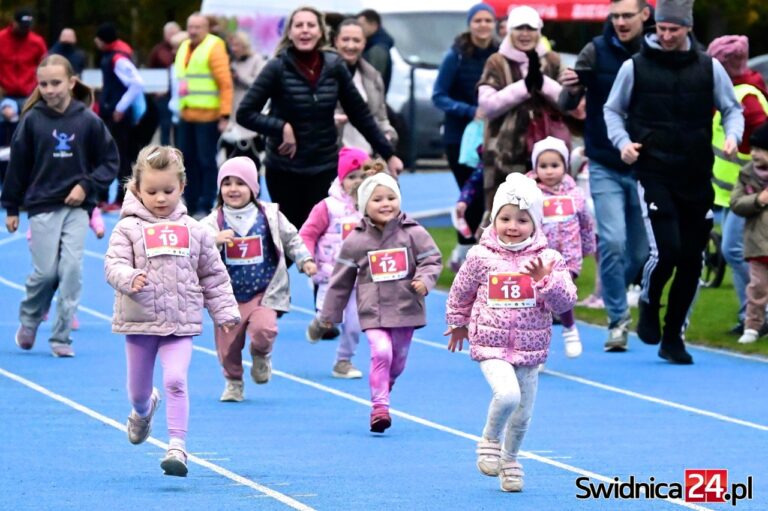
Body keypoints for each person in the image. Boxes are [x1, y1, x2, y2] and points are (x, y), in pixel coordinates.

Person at [604, 0, 744, 364]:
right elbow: (612, 110)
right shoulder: (634, 67)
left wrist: (733, 136)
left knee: (692, 261)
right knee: (665, 251)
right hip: (654, 170)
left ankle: (672, 336)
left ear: (687, 29)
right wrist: (623, 143)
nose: (666, 35)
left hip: (696, 172)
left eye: (674, 30)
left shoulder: (708, 67)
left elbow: (732, 109)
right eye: (662, 29)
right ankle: (650, 301)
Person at [104, 145, 240, 476]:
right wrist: (129, 277)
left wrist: (224, 312)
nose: (161, 198)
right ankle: (143, 410)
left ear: (182, 187)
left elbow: (213, 274)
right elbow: (113, 264)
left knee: (176, 379)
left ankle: (177, 447)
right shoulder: (128, 229)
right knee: (137, 392)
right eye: (151, 191)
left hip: (181, 322)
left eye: (168, 190)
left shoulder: (195, 231)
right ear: (136, 189)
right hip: (140, 323)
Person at [445, 173, 577, 492]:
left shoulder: (549, 259)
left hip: (530, 350)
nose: (512, 226)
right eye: (505, 218)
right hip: (490, 344)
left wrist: (546, 279)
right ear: (494, 219)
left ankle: (511, 459)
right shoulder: (480, 256)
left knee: (522, 415)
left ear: (535, 224)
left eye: (521, 219)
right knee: (507, 395)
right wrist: (458, 323)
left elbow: (566, 301)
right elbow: (460, 292)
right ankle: (489, 438)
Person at [236, 7, 402, 231]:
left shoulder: (334, 66)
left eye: (310, 25)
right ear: (290, 33)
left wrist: (389, 154)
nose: (305, 30)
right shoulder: (276, 67)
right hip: (285, 170)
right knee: (290, 240)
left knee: (324, 236)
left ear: (321, 32)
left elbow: (361, 115)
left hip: (324, 167)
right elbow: (245, 113)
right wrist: (281, 127)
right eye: (299, 25)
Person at [1, 55, 119, 358]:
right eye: (43, 84)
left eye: (56, 83)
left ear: (71, 82)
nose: (50, 89)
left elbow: (109, 162)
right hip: (42, 206)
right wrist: (11, 206)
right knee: (45, 273)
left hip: (77, 209)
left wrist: (86, 186)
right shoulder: (32, 120)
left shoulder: (88, 120)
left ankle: (61, 336)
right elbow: (17, 166)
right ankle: (29, 319)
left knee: (70, 270)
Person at [309, 172, 442, 432]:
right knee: (381, 352)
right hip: (373, 311)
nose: (386, 204)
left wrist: (424, 281)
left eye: (391, 198)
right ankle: (379, 407)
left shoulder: (413, 233)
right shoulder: (357, 240)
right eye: (377, 199)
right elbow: (340, 281)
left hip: (406, 308)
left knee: (398, 361)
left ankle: (385, 385)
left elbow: (432, 259)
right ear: (363, 205)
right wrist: (329, 314)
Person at [558, 0, 652, 351]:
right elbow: (568, 103)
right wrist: (570, 87)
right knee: (611, 241)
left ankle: (615, 292)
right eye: (615, 16)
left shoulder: (658, 48)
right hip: (605, 161)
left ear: (645, 15)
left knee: (642, 253)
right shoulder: (595, 50)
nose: (621, 22)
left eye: (627, 15)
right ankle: (617, 320)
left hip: (646, 163)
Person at [200, 157, 317, 402]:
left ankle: (261, 354)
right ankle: (233, 381)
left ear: (254, 187)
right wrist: (214, 240)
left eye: (240, 183)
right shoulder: (214, 220)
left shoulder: (269, 215)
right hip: (227, 294)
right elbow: (197, 242)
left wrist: (304, 259)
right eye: (227, 183)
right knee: (228, 346)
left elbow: (292, 237)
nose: (233, 189)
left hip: (263, 290)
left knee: (265, 329)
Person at [477, 6, 564, 221]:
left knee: (548, 218)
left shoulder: (552, 60)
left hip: (547, 154)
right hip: (503, 154)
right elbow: (487, 104)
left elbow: (569, 102)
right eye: (519, 28)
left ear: (539, 30)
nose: (525, 34)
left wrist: (542, 82)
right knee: (502, 216)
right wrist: (524, 87)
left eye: (530, 28)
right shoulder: (496, 61)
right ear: (509, 30)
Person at [706, 35, 768, 335]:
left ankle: (756, 312)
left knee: (735, 249)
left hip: (749, 192)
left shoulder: (747, 98)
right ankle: (752, 314)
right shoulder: (730, 91)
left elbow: (759, 143)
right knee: (736, 250)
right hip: (732, 191)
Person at [432, 3, 499, 269]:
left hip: (492, 137)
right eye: (478, 20)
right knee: (469, 195)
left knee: (487, 195)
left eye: (487, 20)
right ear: (470, 24)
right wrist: (469, 110)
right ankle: (463, 251)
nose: (483, 25)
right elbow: (439, 96)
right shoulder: (455, 56)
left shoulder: (499, 55)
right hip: (459, 138)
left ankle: (474, 252)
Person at [300, 147, 367, 379]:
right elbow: (307, 234)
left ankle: (343, 361)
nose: (357, 182)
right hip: (332, 275)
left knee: (354, 324)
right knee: (331, 319)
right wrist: (307, 259)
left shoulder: (374, 206)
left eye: (362, 176)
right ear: (341, 179)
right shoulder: (327, 207)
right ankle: (320, 322)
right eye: (352, 177)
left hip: (361, 279)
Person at [526, 136, 594, 356]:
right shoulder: (529, 194)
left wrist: (587, 247)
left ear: (565, 166)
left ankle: (570, 328)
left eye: (554, 165)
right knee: (540, 302)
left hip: (568, 256)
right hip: (538, 259)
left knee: (561, 292)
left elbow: (585, 223)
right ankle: (538, 344)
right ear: (535, 168)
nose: (549, 171)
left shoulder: (575, 194)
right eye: (543, 166)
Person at [174, 13, 233, 218]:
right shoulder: (183, 46)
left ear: (207, 28)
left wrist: (225, 114)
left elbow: (225, 83)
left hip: (208, 115)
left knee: (206, 161)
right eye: (190, 27)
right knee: (186, 161)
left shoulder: (214, 46)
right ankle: (189, 201)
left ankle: (206, 202)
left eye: (198, 27)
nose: (193, 31)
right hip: (186, 114)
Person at [94, 23, 146, 210]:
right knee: (107, 154)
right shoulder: (111, 56)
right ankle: (104, 197)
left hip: (116, 116)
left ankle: (122, 199)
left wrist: (120, 107)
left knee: (119, 156)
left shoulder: (117, 58)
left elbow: (137, 83)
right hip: (109, 112)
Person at [333, 18, 398, 155]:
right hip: (333, 157)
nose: (350, 46)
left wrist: (388, 135)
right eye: (345, 39)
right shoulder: (323, 75)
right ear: (336, 41)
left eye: (356, 40)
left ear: (364, 44)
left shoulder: (373, 77)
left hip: (368, 159)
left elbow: (381, 118)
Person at [730, 122, 768, 344]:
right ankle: (752, 326)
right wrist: (758, 200)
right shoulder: (746, 175)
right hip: (757, 244)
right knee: (757, 289)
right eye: (752, 149)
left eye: (760, 150)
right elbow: (736, 203)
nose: (753, 153)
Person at [219, 31, 266, 165]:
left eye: (237, 45)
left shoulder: (257, 60)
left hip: (250, 110)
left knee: (251, 156)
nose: (234, 48)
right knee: (232, 155)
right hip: (232, 112)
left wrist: (239, 77)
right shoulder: (230, 62)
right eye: (232, 45)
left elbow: (259, 84)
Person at [0, 8, 47, 111]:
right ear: (14, 23)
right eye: (22, 26)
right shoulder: (1, 39)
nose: (24, 30)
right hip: (5, 94)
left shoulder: (37, 42)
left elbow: (44, 66)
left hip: (29, 94)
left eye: (27, 27)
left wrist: (36, 86)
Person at [148, 21, 182, 146]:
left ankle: (179, 155)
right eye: (169, 33)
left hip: (180, 94)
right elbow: (151, 72)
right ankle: (165, 156)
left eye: (174, 33)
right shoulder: (158, 51)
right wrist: (154, 90)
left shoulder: (186, 50)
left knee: (179, 128)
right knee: (165, 125)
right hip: (163, 95)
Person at [356, 9, 394, 92]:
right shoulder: (370, 46)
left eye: (361, 25)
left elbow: (372, 83)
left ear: (374, 25)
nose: (358, 28)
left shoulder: (377, 50)